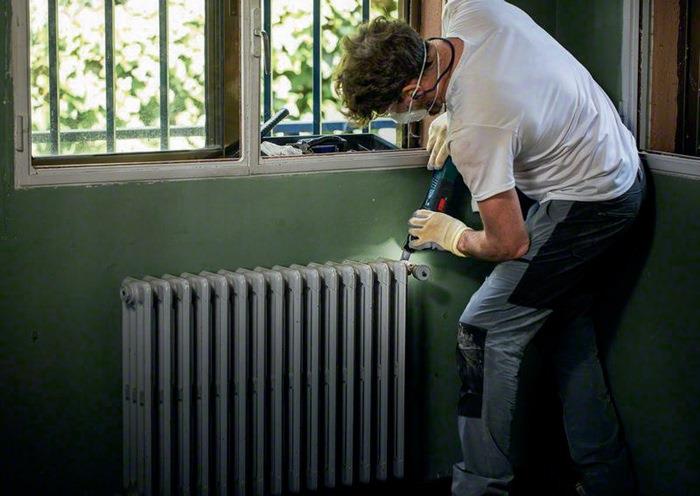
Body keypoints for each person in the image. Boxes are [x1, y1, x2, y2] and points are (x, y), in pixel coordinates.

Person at [334, 1, 645, 495]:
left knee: (482, 330)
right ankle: (609, 482)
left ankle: (480, 487)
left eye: (396, 109)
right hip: (611, 163)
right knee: (564, 329)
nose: (403, 116)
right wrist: (448, 109)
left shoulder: (478, 127)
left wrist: (452, 235)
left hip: (591, 201)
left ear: (413, 91)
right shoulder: (471, 10)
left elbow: (509, 242)